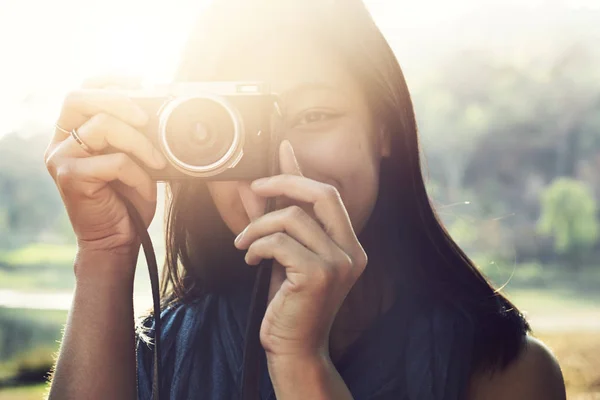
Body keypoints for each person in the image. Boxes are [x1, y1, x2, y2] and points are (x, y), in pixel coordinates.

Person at [44, 0, 567, 399]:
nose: (278, 159)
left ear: (384, 130)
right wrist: (105, 255)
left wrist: (301, 362)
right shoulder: (152, 357)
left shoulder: (506, 373)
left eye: (314, 116)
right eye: (229, 128)